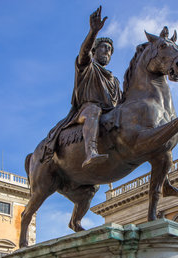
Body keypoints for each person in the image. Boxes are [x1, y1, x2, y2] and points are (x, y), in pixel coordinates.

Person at [41, 6, 122, 168]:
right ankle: (90, 150)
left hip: (110, 111)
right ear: (94, 51)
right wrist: (93, 32)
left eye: (110, 49)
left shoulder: (114, 80)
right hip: (86, 110)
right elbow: (84, 53)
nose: (108, 50)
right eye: (104, 47)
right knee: (94, 110)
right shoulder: (86, 67)